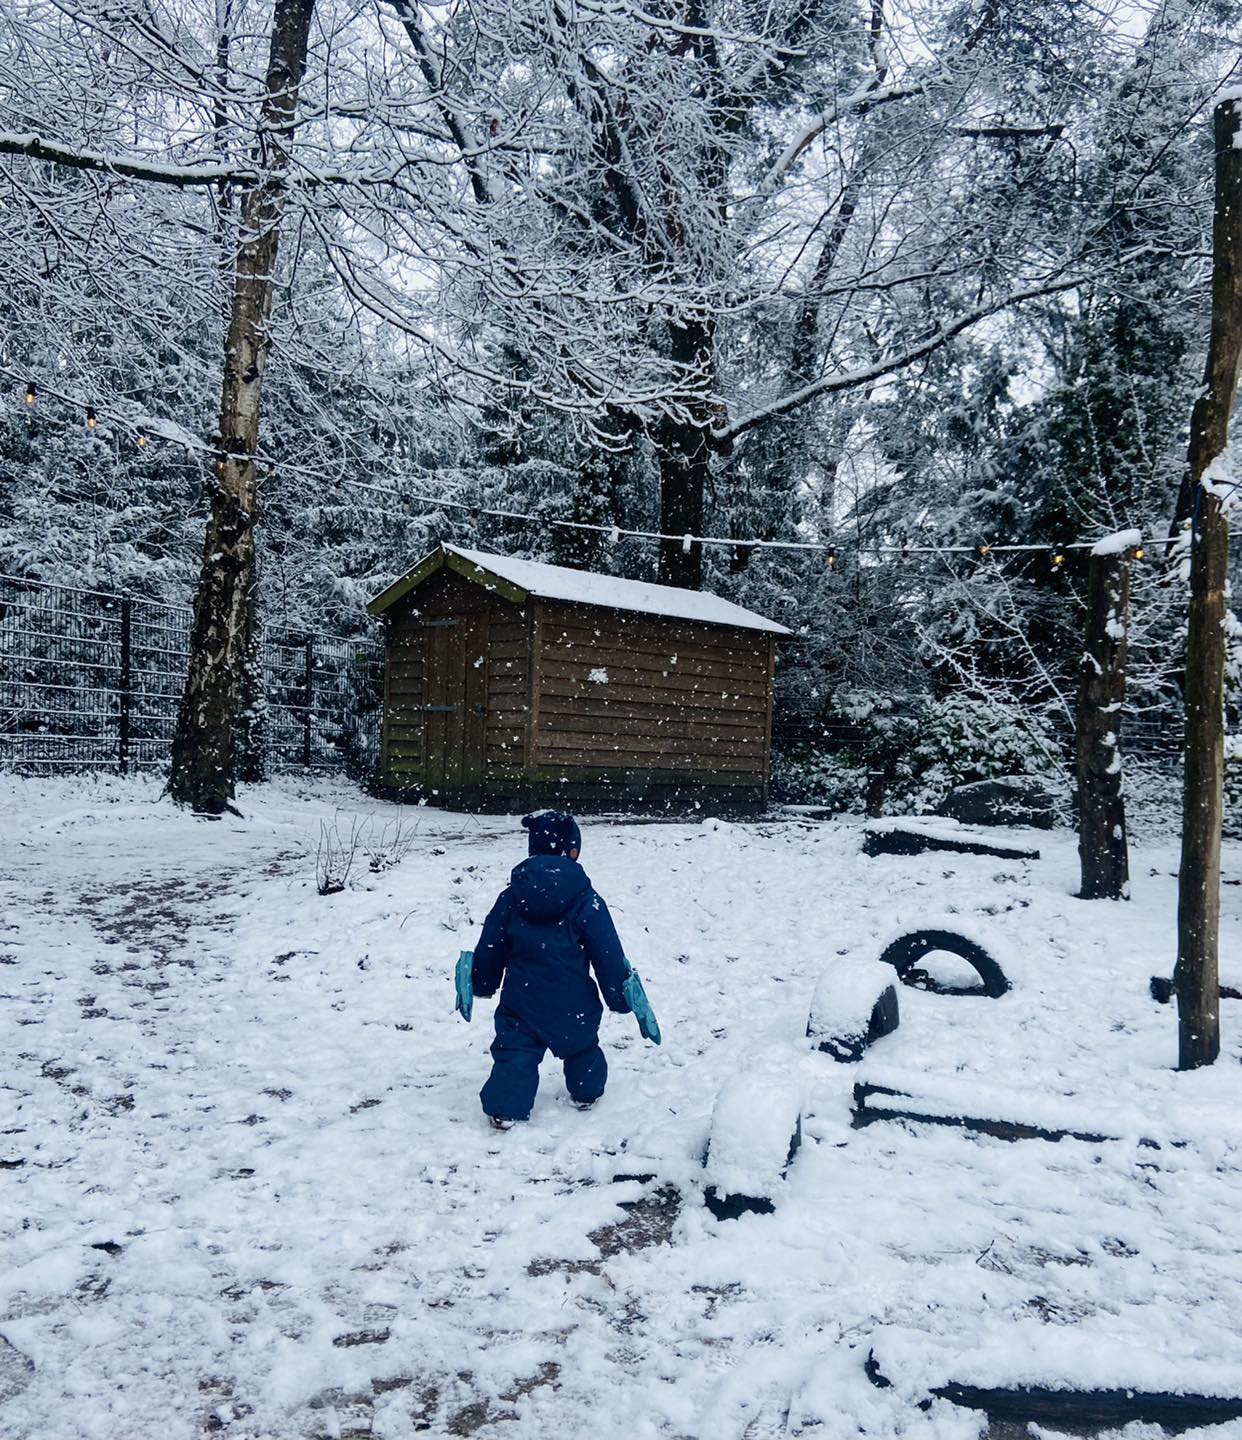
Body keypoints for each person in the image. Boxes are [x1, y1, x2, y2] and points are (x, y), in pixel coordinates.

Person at [472, 811, 631, 1129]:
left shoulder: (512, 897)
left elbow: (492, 942)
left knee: (515, 1050)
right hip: (572, 1001)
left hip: (522, 996)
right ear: (572, 851)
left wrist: (483, 980)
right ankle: (586, 1092)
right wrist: (619, 994)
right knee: (581, 1046)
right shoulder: (587, 901)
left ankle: (506, 1108)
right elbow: (607, 952)